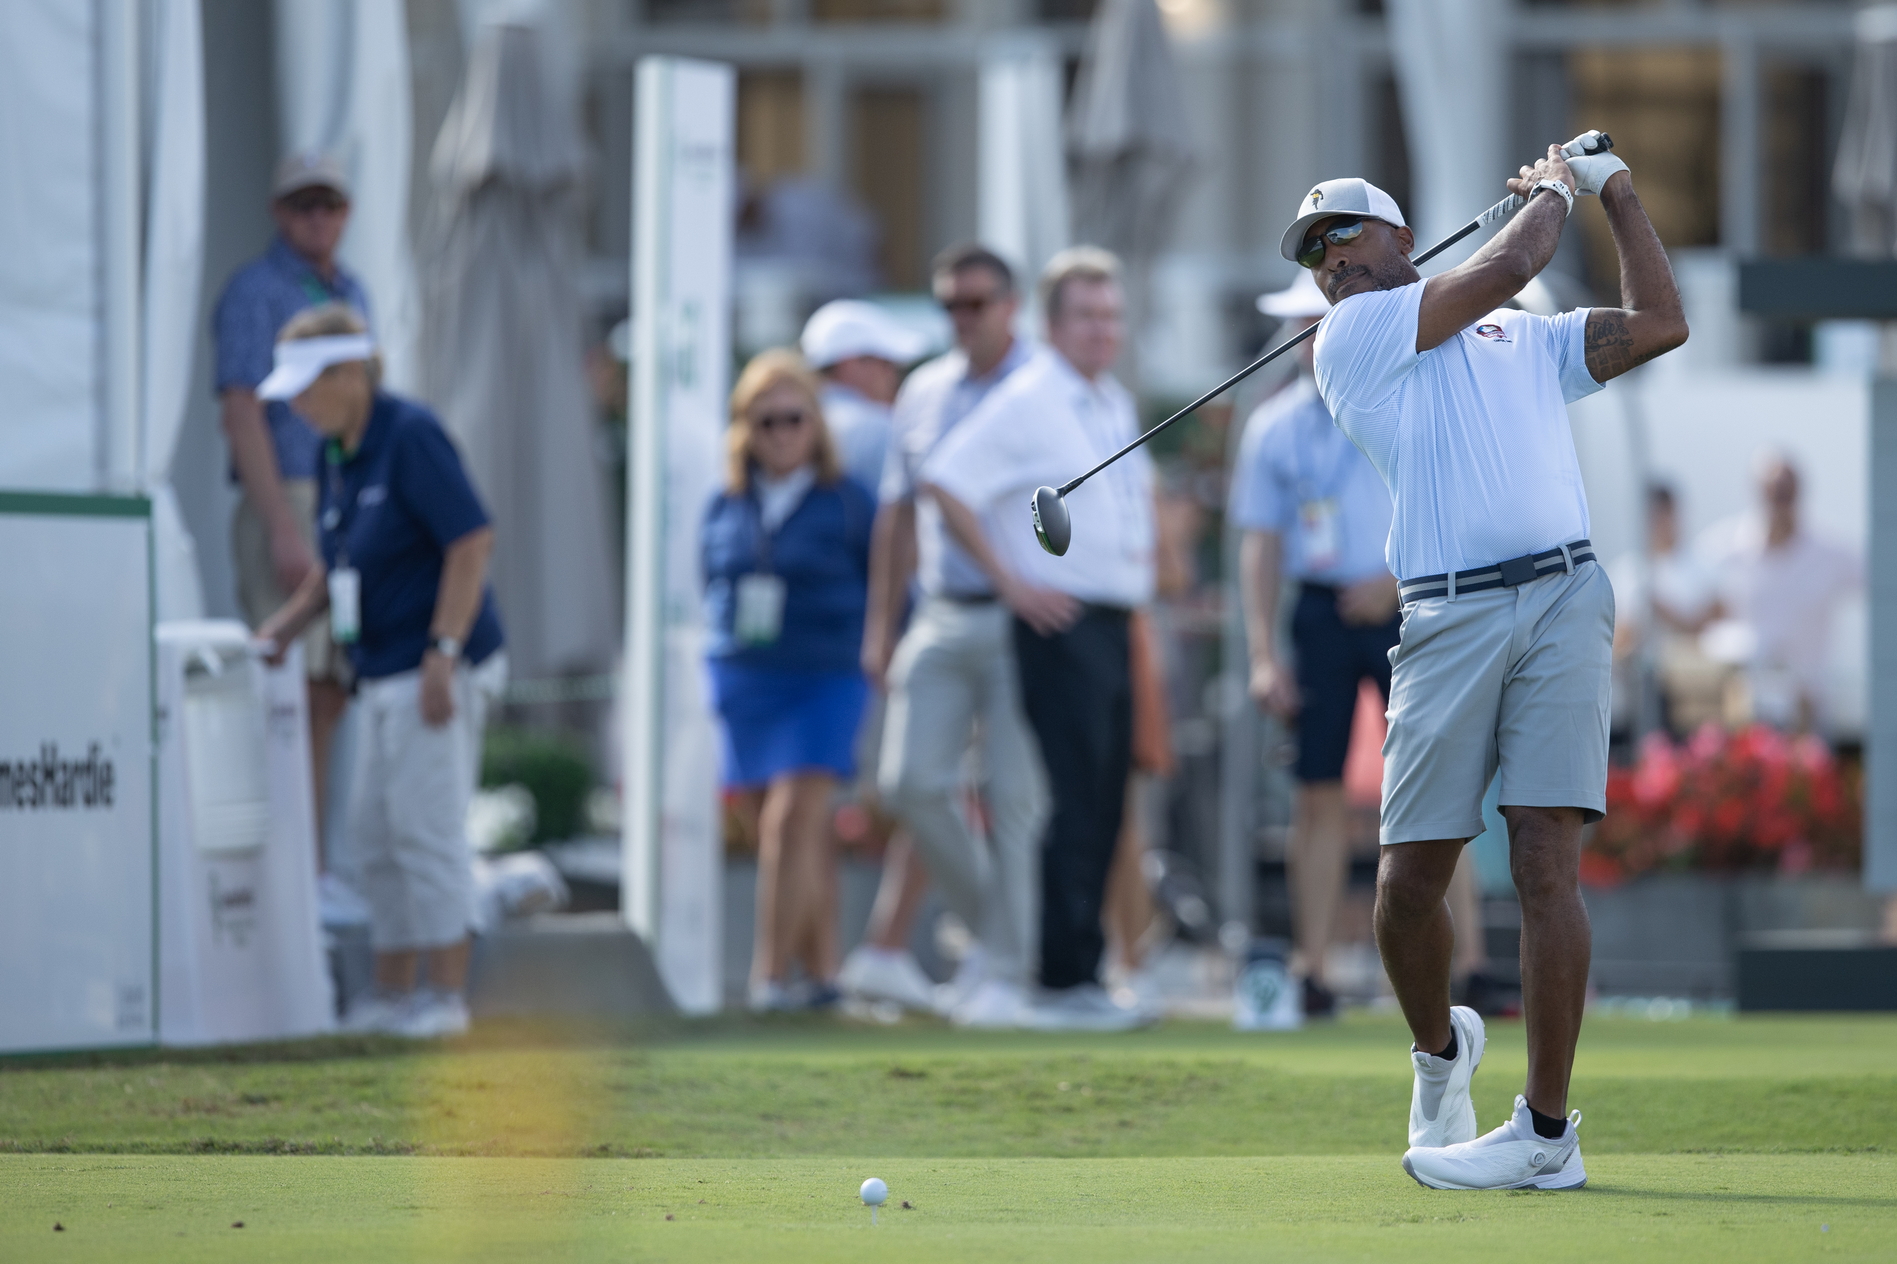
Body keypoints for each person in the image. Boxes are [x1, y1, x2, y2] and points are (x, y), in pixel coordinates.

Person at [1287, 146, 1687, 1187]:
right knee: (1408, 883)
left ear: (1401, 239)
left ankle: (1546, 1135)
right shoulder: (1349, 336)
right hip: (1445, 612)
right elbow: (1508, 264)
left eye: (1343, 237)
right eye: (1314, 255)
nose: (1329, 263)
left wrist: (1617, 193)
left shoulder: (1523, 335)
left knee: (1546, 857)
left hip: (1563, 594)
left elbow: (1658, 324)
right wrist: (1555, 187)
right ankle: (1439, 1053)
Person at [253, 305, 508, 1039]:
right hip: (383, 672)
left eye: (308, 388)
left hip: (435, 667)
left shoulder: (411, 435)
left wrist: (443, 652)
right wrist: (281, 631)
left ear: (351, 373)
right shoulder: (338, 452)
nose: (298, 406)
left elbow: (471, 542)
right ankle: (394, 996)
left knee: (426, 829)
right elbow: (337, 567)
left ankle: (446, 999)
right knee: (374, 836)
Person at [922, 246, 1157, 1031]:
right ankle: (1059, 982)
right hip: (1060, 626)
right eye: (1086, 316)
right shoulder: (1028, 396)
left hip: (1114, 621)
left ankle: (1081, 973)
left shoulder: (1110, 398)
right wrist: (1012, 581)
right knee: (1071, 801)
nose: (1102, 330)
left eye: (1111, 316)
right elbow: (946, 479)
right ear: (1051, 325)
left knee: (1104, 800)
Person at [851, 244, 1043, 1025]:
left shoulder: (1042, 386)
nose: (961, 318)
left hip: (1025, 616)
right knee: (908, 783)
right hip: (938, 610)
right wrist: (879, 627)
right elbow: (896, 516)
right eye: (949, 305)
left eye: (975, 303)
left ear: (1010, 305)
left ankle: (1010, 973)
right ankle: (1003, 940)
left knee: (1013, 797)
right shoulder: (922, 389)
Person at [1233, 269, 1402, 1018]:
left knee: (1432, 792)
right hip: (1321, 612)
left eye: (1321, 322)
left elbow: (1444, 501)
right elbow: (1260, 544)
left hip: (1403, 605)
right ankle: (1313, 969)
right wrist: (1261, 653)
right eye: (1303, 326)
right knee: (1315, 793)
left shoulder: (1398, 398)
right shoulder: (1273, 425)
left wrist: (1394, 581)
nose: (1311, 339)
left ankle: (1462, 967)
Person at [702, 350, 875, 1011]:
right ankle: (824, 975)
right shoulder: (726, 501)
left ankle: (767, 979)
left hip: (825, 674)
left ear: (815, 423)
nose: (780, 433)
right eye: (764, 419)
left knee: (791, 819)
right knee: (792, 833)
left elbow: (885, 580)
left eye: (793, 418)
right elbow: (710, 580)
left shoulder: (847, 500)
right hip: (747, 676)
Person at [212, 152, 370, 855]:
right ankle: (288, 868)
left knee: (329, 692)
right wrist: (281, 526)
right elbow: (242, 414)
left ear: (346, 212)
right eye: (304, 205)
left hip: (339, 497)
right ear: (279, 212)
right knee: (289, 694)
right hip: (290, 497)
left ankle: (313, 867)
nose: (318, 218)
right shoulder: (255, 290)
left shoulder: (353, 289)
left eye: (329, 205)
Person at [1699, 452, 1861, 733]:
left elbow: (1881, 583)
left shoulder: (1831, 552)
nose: (1779, 501)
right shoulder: (1724, 547)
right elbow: (1694, 613)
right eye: (1773, 492)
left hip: (1809, 715)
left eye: (1786, 492)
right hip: (1741, 718)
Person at [1607, 483, 1717, 735]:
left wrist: (1668, 613)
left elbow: (1714, 626)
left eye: (1665, 513)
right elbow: (1613, 642)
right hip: (1637, 696)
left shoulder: (1701, 566)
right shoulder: (1626, 571)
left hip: (1690, 697)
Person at [801, 299, 929, 492]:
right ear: (850, 363)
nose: (893, 376)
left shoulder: (788, 421)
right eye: (887, 363)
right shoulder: (878, 428)